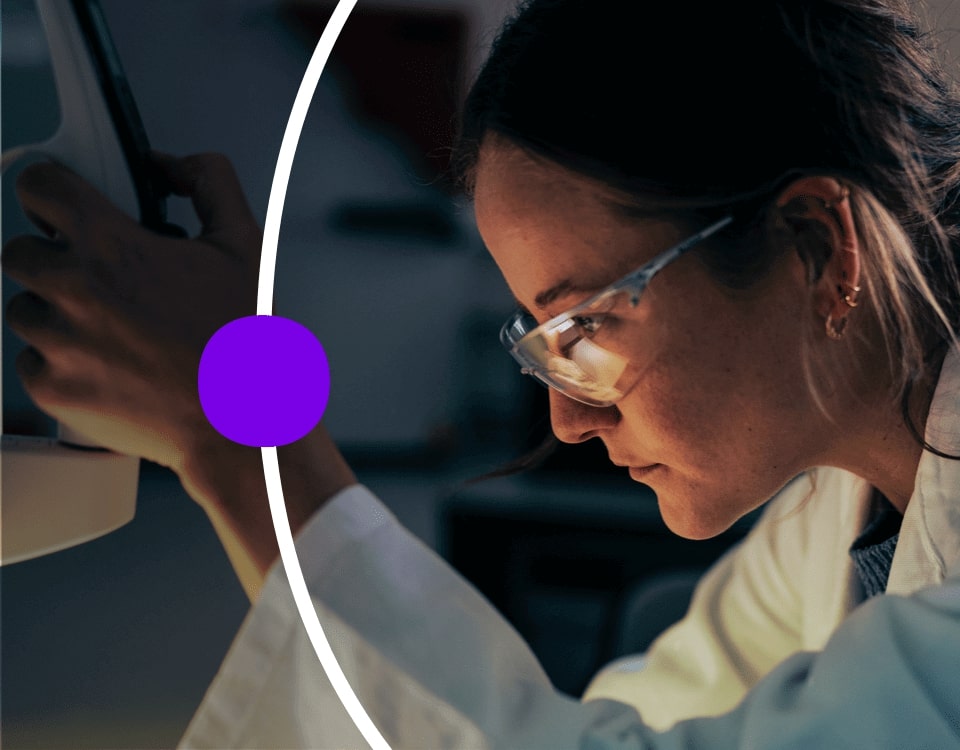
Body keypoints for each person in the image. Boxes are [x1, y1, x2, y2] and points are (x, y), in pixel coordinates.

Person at [4, 0, 960, 746]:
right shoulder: (836, 519)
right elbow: (631, 727)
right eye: (543, 341)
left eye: (585, 322)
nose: (571, 423)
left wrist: (239, 419)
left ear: (816, 246)